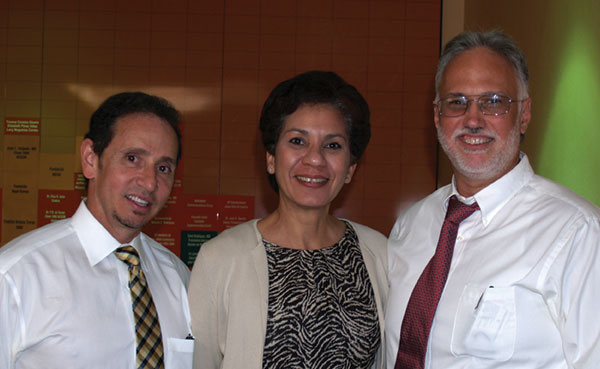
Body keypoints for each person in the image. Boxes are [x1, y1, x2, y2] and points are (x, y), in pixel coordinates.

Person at [386, 30, 600, 369]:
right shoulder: (410, 226)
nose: (473, 119)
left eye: (494, 102)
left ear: (525, 114)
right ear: (437, 115)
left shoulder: (579, 233)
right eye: (457, 102)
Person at [189, 70, 388, 369]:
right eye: (297, 141)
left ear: (350, 168)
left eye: (332, 145)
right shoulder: (220, 258)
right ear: (271, 158)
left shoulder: (379, 254)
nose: (315, 159)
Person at [0, 92, 193, 369]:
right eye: (132, 159)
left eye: (163, 167)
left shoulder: (178, 277)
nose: (150, 182)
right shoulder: (15, 277)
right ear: (91, 159)